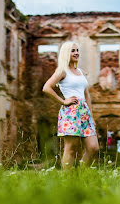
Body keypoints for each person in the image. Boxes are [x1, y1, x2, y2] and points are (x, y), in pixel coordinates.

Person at [42, 41, 99, 169]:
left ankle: (80, 174)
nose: (76, 53)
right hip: (71, 112)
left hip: (85, 111)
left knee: (93, 147)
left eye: (77, 50)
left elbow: (87, 95)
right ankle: (68, 180)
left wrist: (92, 116)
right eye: (73, 51)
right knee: (71, 148)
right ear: (66, 53)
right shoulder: (62, 71)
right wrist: (63, 101)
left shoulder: (81, 72)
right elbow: (46, 88)